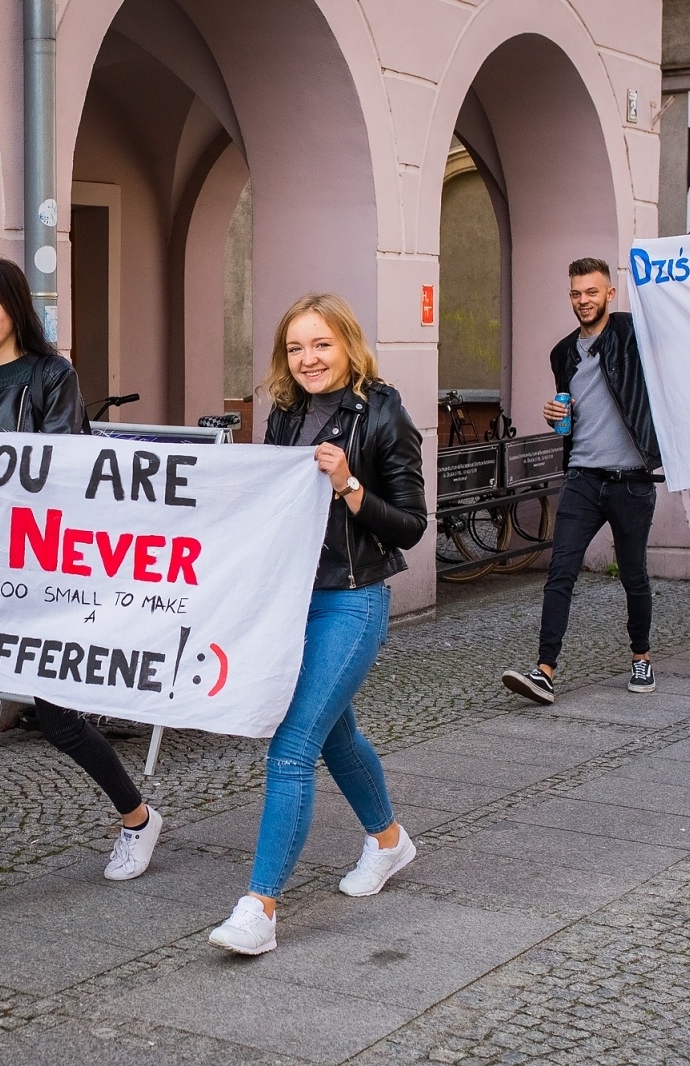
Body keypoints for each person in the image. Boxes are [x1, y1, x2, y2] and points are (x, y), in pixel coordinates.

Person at [0, 257, 162, 935]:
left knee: (58, 717)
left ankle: (138, 818)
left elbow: (62, 472)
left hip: (40, 578)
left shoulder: (52, 375)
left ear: (16, 306)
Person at [208, 292, 426, 956]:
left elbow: (410, 526)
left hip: (352, 600)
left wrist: (350, 485)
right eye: (296, 347)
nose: (308, 359)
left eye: (321, 344)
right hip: (291, 599)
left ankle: (260, 907)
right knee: (336, 733)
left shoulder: (383, 413)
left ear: (348, 346)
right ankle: (389, 841)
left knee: (293, 743)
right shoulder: (286, 411)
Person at [501, 258, 663, 704]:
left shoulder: (631, 334)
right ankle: (544, 672)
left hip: (632, 480)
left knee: (633, 574)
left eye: (592, 292)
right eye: (576, 293)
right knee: (561, 571)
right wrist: (555, 417)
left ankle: (641, 657)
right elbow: (571, 419)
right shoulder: (562, 353)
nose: (583, 301)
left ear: (610, 294)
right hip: (582, 478)